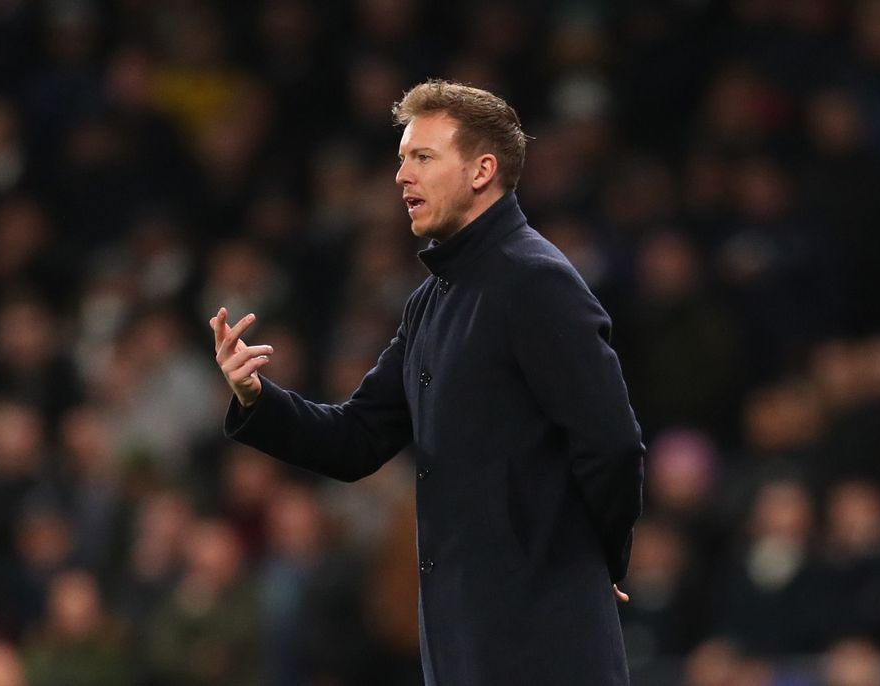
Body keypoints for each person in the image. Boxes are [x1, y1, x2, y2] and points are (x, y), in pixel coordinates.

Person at [211, 80, 644, 685]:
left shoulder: (537, 282)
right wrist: (257, 398)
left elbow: (612, 444)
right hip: (463, 640)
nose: (400, 177)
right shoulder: (430, 303)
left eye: (422, 157)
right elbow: (358, 438)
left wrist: (595, 560)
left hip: (538, 641)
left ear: (481, 170)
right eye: (400, 159)